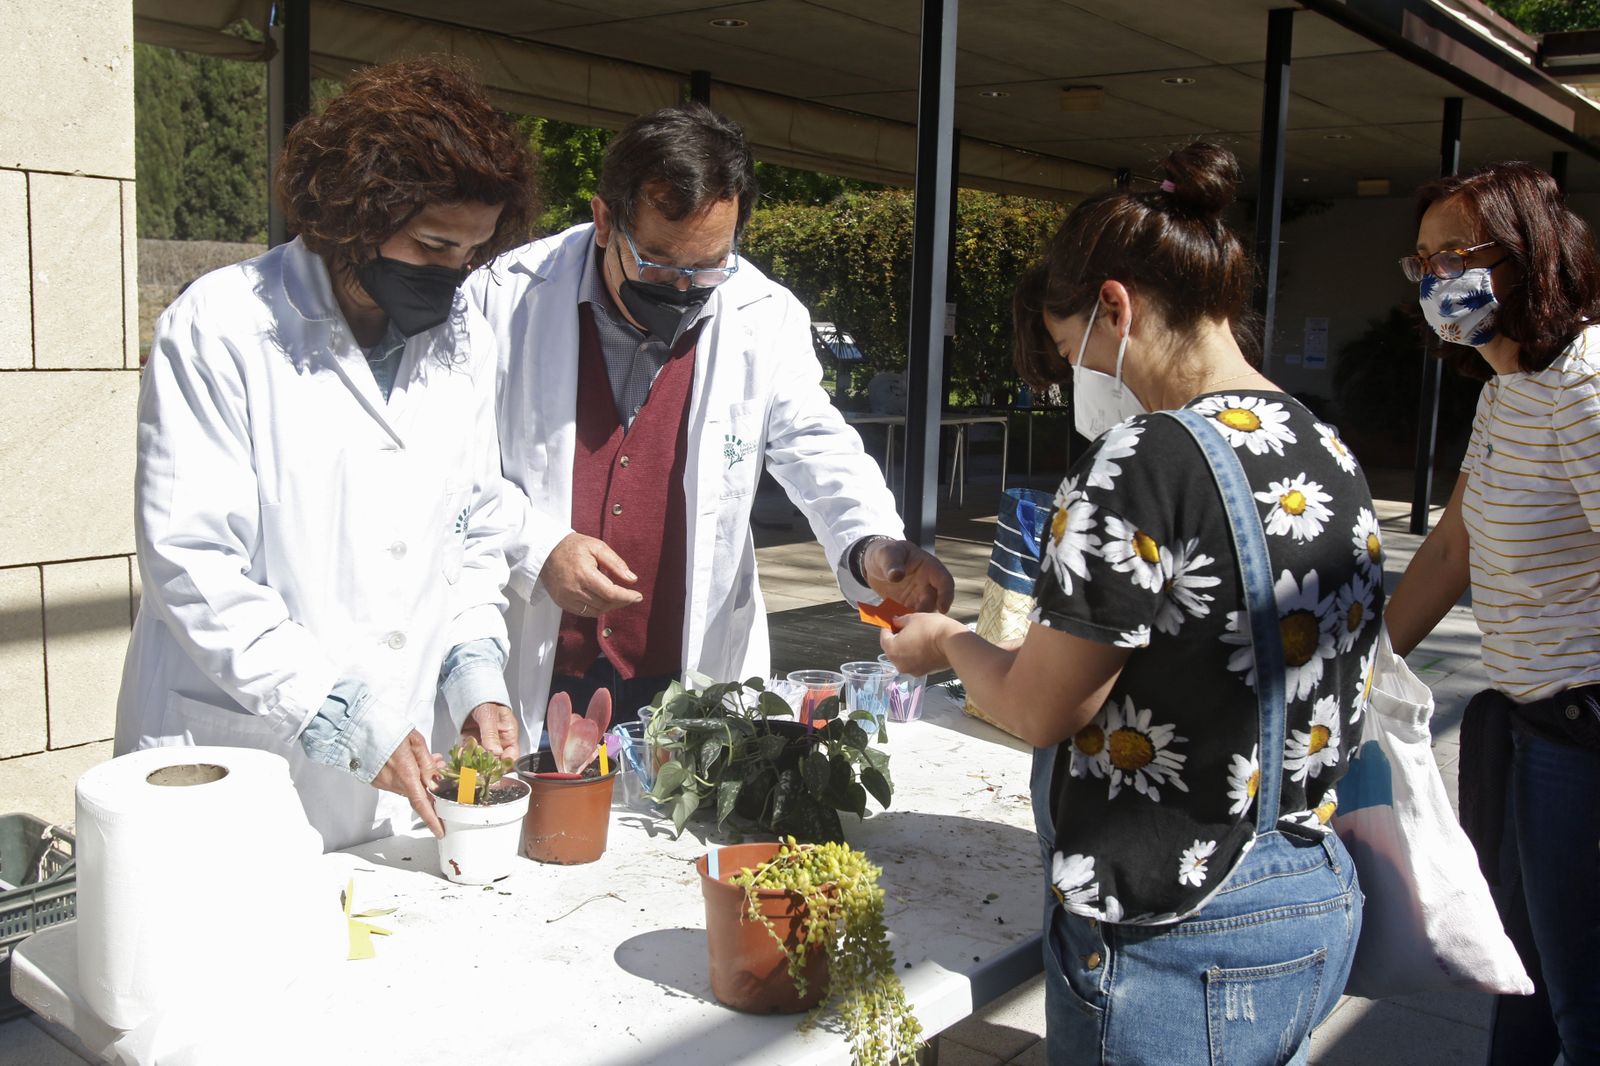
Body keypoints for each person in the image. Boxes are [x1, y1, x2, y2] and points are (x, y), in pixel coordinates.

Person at [881, 143, 1373, 1064]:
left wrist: (948, 641)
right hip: (1309, 891)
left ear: (1115, 306)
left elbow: (1041, 706)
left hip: (1173, 930)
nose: (1079, 383)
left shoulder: (1140, 460)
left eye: (1072, 354)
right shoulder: (1324, 447)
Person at [115, 58, 535, 851]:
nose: (454, 277)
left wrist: (473, 669)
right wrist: (331, 710)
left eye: (471, 254)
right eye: (434, 244)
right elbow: (193, 561)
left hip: (391, 781)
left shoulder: (462, 342)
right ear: (354, 214)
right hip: (239, 761)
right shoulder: (220, 327)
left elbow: (473, 527)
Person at [466, 103, 953, 737]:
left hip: (681, 668)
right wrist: (538, 546)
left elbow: (817, 446)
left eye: (709, 267)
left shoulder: (764, 315)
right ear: (605, 218)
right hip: (537, 658)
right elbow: (454, 467)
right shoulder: (505, 297)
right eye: (661, 264)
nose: (684, 287)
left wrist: (871, 547)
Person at [1384, 161, 1600, 1065]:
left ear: (1525, 257)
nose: (1437, 280)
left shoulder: (1586, 381)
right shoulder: (1505, 389)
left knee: (1581, 1005)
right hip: (1521, 729)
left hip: (1582, 734)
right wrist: (1354, 665)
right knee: (1520, 978)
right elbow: (1449, 551)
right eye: (1423, 262)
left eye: (1455, 255)